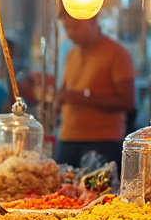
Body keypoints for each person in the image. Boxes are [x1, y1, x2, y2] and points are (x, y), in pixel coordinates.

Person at [54, 12, 136, 170]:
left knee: (99, 193)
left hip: (102, 140)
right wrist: (60, 99)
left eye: (76, 27)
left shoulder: (117, 53)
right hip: (67, 138)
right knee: (62, 191)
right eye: (66, 28)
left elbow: (128, 101)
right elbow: (67, 88)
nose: (70, 33)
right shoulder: (71, 54)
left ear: (93, 20)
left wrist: (85, 97)